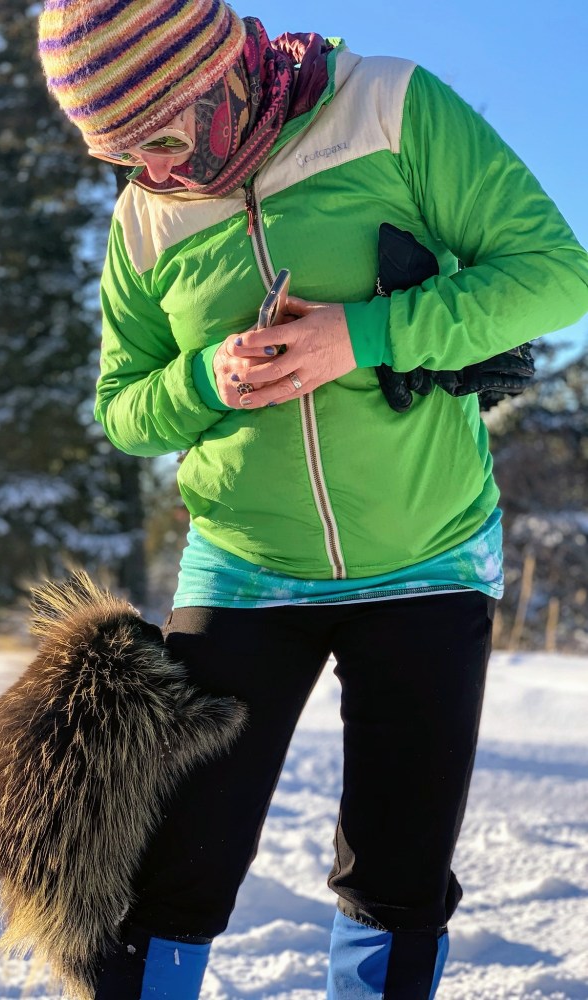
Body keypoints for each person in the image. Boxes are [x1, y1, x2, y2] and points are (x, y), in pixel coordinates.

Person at [37, 1, 588, 997]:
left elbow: (555, 275)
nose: (152, 172)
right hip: (242, 567)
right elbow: (123, 408)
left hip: (429, 554)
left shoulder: (388, 107)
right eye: (116, 154)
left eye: (161, 139)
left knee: (396, 873)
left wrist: (363, 335)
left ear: (213, 75)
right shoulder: (145, 218)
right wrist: (204, 377)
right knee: (171, 865)